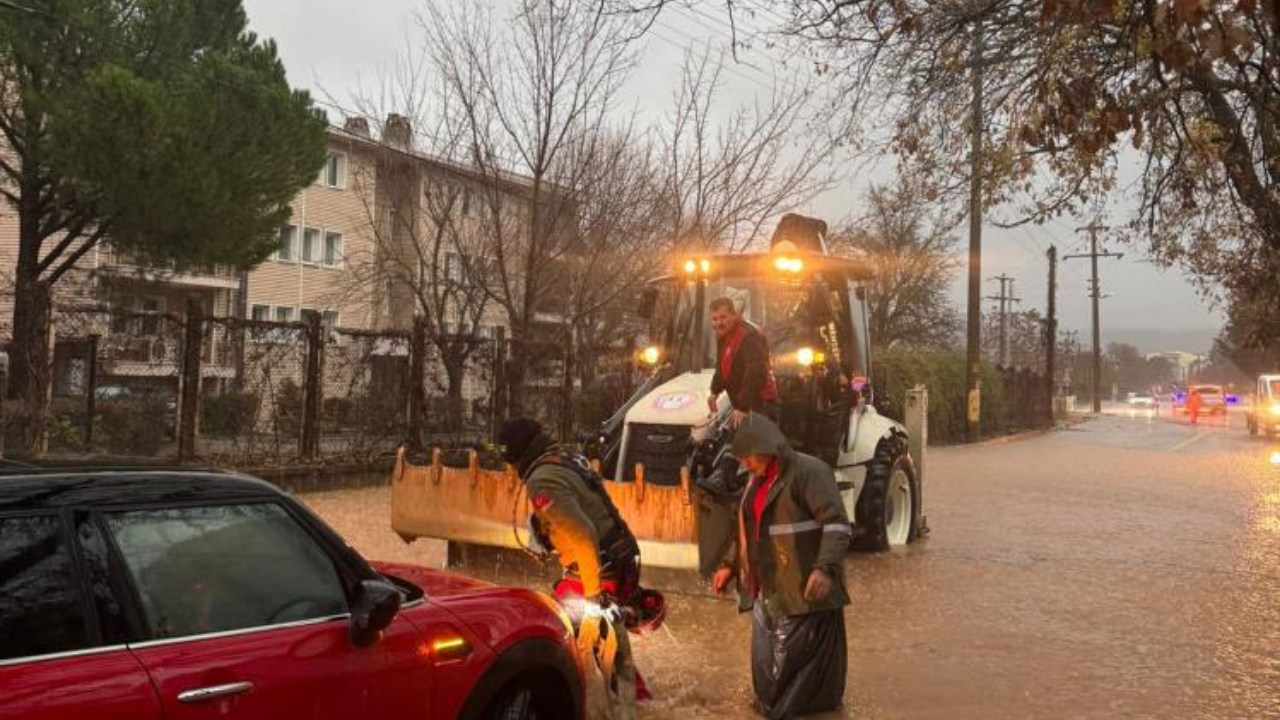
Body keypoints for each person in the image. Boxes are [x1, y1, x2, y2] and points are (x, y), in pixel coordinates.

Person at [497, 417, 649, 712]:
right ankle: (638, 701)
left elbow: (584, 538)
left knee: (573, 635)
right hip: (621, 556)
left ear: (516, 457)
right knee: (612, 651)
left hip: (599, 569)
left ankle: (618, 709)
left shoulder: (541, 479)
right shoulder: (565, 457)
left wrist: (593, 604)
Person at [712, 413, 851, 720]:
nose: (745, 464)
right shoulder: (755, 481)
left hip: (803, 596)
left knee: (787, 692)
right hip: (766, 592)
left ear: (767, 448)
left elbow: (838, 525)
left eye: (748, 457)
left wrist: (825, 569)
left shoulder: (809, 472)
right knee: (767, 686)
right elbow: (748, 532)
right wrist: (729, 566)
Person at [708, 297, 779, 428]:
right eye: (715, 319)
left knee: (757, 447)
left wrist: (742, 407)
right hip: (744, 403)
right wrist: (714, 391)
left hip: (760, 403)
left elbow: (756, 371)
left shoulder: (748, 335)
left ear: (734, 315)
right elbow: (723, 365)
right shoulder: (722, 334)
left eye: (723, 317)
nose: (719, 323)